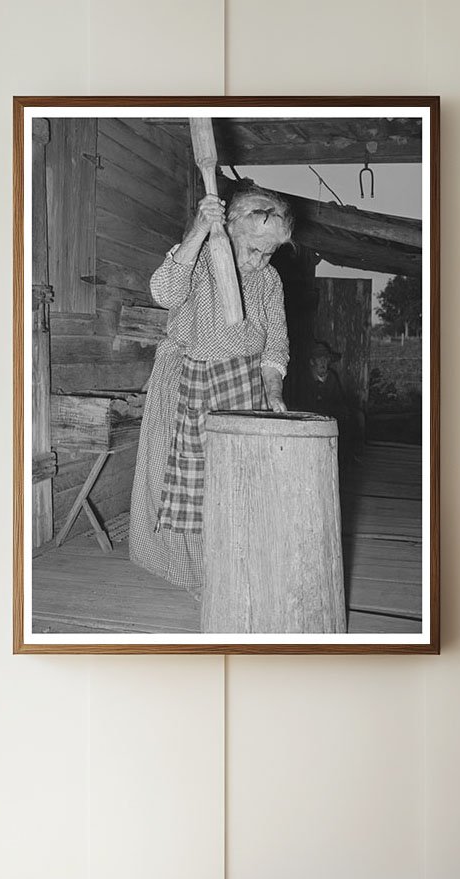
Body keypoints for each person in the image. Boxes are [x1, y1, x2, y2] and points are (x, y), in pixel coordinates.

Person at [129, 187, 294, 594]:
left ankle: (235, 568)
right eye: (255, 248)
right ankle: (195, 576)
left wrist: (272, 390)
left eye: (270, 251)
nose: (260, 260)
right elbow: (164, 293)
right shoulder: (198, 257)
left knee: (239, 485)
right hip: (186, 379)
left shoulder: (269, 279)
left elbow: (276, 344)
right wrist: (200, 227)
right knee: (190, 484)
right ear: (230, 227)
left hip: (242, 385)